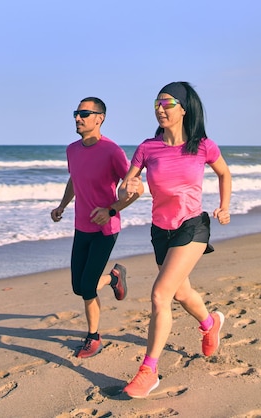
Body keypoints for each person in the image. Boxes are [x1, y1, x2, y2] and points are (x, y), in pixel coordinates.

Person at [120, 82, 232, 398]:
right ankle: (211, 324)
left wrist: (224, 206)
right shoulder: (146, 148)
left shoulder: (203, 146)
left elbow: (224, 173)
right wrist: (129, 188)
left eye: (167, 103)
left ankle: (149, 371)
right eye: (157, 103)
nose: (160, 109)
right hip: (161, 230)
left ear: (183, 108)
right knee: (181, 292)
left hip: (192, 226)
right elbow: (127, 183)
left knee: (160, 295)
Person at [51, 97, 143, 358]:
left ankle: (94, 337)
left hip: (106, 229)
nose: (78, 118)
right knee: (79, 287)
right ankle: (114, 277)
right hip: (81, 226)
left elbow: (134, 190)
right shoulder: (71, 149)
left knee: (88, 288)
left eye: (84, 113)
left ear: (99, 118)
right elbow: (74, 179)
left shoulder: (112, 151)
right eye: (76, 114)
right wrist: (62, 206)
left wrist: (111, 210)